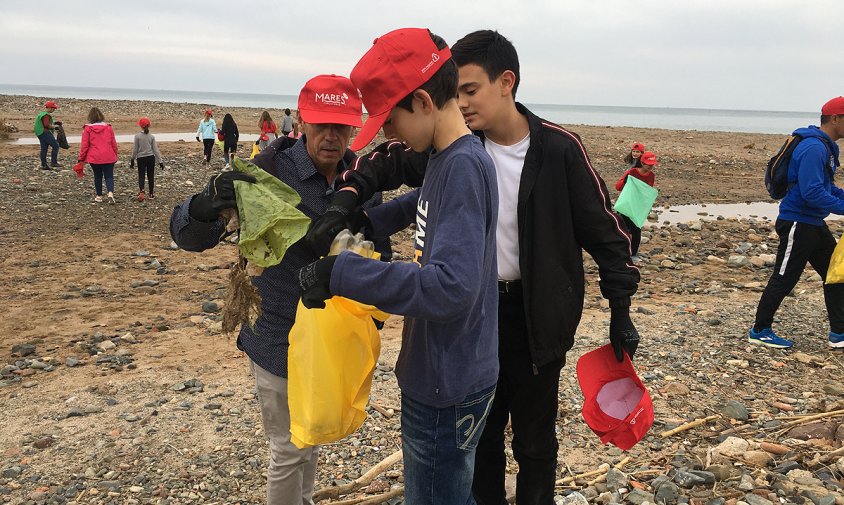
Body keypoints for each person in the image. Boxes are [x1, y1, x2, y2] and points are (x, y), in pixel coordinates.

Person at [303, 29, 641, 505]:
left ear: (507, 82)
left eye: (470, 90)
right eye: (455, 90)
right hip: (477, 319)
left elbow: (607, 234)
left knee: (535, 440)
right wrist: (350, 203)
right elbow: (396, 173)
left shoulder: (557, 150)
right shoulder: (458, 149)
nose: (461, 102)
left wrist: (619, 310)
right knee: (480, 440)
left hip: (534, 316)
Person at [297, 28, 499, 504]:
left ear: (425, 102)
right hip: (447, 367)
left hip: (446, 382)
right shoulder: (449, 159)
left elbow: (452, 287)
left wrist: (342, 274)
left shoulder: (464, 166)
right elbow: (423, 203)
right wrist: (368, 218)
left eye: (390, 119)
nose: (387, 133)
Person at [170, 74, 389, 505]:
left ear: (354, 127)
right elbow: (187, 236)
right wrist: (205, 203)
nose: (331, 136)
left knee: (312, 437)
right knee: (289, 447)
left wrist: (375, 316)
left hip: (334, 338)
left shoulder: (362, 178)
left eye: (341, 126)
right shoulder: (266, 172)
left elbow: (379, 249)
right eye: (322, 124)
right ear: (302, 121)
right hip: (277, 332)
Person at [749, 96, 844, 349]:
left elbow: (826, 188)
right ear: (835, 119)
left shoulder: (824, 146)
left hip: (812, 222)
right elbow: (812, 192)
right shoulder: (814, 148)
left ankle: (839, 333)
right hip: (797, 222)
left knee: (835, 275)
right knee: (784, 277)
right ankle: (760, 329)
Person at [615, 151, 658, 258]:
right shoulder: (632, 172)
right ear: (642, 163)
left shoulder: (651, 176)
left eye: (652, 164)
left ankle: (633, 254)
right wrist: (625, 182)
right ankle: (620, 251)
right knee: (623, 229)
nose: (651, 166)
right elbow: (618, 187)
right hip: (626, 205)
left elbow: (647, 192)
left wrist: (647, 207)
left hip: (638, 206)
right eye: (649, 164)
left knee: (636, 229)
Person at [78, 107, 118, 204]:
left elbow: (85, 145)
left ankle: (99, 196)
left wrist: (81, 158)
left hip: (94, 157)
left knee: (97, 176)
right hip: (108, 155)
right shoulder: (108, 128)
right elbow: (113, 143)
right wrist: (115, 155)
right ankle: (110, 193)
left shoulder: (88, 129)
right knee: (109, 176)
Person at [130, 117, 164, 202]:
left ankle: (142, 191)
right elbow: (155, 150)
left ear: (141, 126)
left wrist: (132, 159)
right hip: (150, 157)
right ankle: (151, 194)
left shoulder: (137, 136)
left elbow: (135, 149)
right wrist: (160, 161)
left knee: (141, 175)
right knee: (150, 176)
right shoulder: (151, 137)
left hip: (141, 158)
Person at [34, 101, 61, 170]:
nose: (54, 110)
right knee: (56, 146)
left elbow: (45, 124)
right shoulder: (46, 115)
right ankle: (53, 162)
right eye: (53, 108)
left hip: (39, 133)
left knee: (44, 149)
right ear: (49, 108)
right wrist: (55, 127)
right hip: (44, 132)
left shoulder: (41, 114)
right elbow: (46, 125)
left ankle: (44, 165)